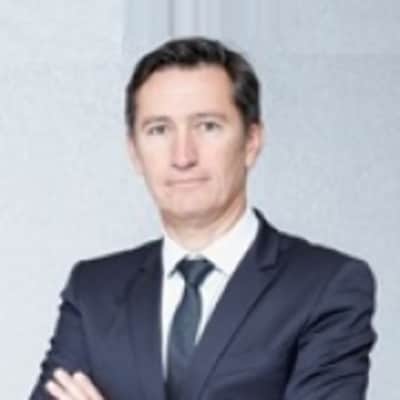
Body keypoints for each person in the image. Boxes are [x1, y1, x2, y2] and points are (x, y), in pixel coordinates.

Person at [30, 37, 376, 400]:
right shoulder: (93, 291)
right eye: (159, 130)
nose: (183, 156)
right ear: (134, 151)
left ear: (251, 141)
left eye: (207, 126)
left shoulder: (326, 285)